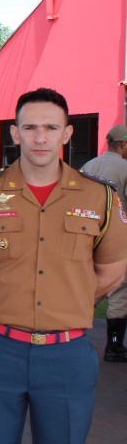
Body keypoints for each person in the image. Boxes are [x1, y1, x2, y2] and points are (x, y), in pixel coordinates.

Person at [0, 88, 127, 444]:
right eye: (30, 127)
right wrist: (5, 300)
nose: (40, 137)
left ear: (67, 134)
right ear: (15, 133)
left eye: (51, 127)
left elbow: (114, 269)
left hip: (67, 357)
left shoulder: (99, 196)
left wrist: (72, 300)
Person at [80, 124, 127, 362]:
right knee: (120, 289)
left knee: (90, 287)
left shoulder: (89, 165)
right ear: (124, 145)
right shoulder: (124, 167)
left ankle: (68, 330)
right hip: (115, 237)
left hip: (86, 235)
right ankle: (115, 346)